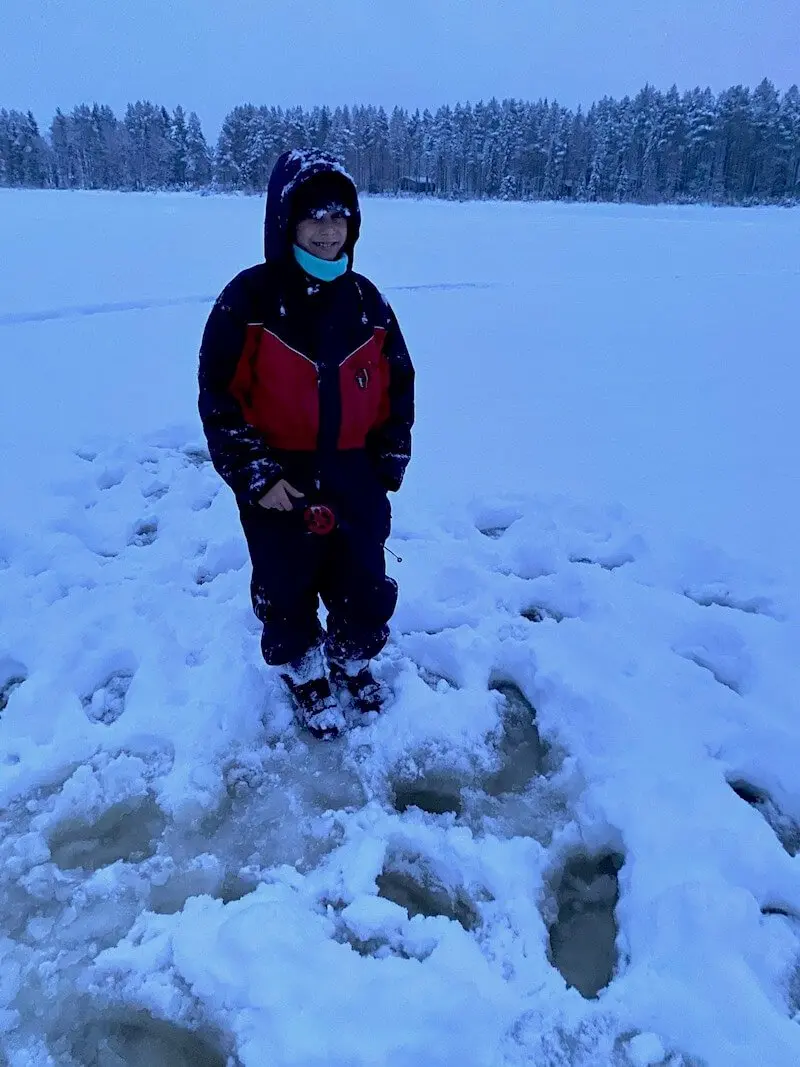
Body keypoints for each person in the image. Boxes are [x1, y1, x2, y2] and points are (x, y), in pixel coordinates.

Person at [198, 150, 415, 741]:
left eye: (339, 216)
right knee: (286, 584)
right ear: (285, 221)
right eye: (313, 215)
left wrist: (388, 460)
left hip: (354, 475)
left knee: (364, 582)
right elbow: (219, 396)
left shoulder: (368, 304)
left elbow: (399, 382)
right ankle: (303, 669)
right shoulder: (249, 302)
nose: (327, 229)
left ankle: (349, 656)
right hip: (280, 481)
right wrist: (257, 476)